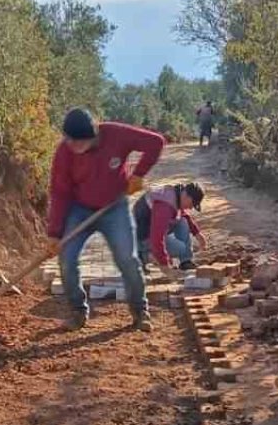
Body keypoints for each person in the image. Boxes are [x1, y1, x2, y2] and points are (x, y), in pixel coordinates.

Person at [47, 108, 166, 332]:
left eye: (80, 143)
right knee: (66, 259)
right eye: (71, 142)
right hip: (79, 209)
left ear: (94, 136)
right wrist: (54, 233)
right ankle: (77, 311)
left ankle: (140, 311)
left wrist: (139, 174)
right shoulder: (64, 152)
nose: (75, 148)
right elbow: (59, 192)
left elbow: (156, 142)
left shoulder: (115, 134)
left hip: (114, 207)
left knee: (127, 259)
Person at [136, 183, 207, 273]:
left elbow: (182, 214)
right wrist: (165, 264)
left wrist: (197, 233)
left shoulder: (175, 194)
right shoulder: (164, 206)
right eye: (192, 204)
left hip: (148, 229)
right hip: (140, 237)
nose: (190, 207)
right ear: (186, 196)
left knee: (183, 221)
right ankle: (141, 257)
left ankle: (185, 262)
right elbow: (157, 238)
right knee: (180, 248)